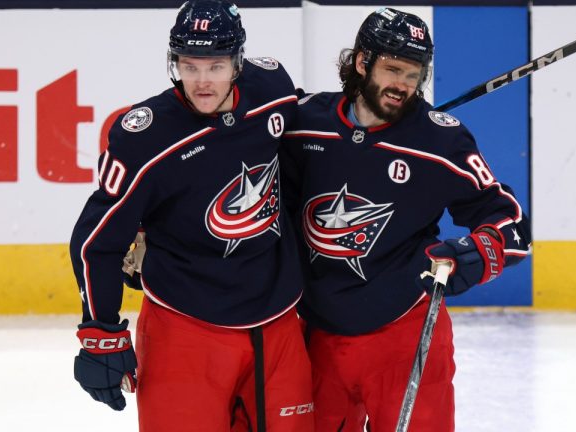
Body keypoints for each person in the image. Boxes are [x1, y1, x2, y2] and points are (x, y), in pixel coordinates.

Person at [280, 8, 531, 432]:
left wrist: (476, 252)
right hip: (317, 338)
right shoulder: (304, 123)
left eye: (414, 74)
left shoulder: (441, 141)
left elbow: (513, 227)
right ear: (362, 62)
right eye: (392, 69)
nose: (403, 85)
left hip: (407, 337)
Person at [68, 1, 314, 431]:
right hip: (185, 329)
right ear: (174, 62)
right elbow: (96, 242)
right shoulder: (144, 137)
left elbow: (314, 135)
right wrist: (100, 331)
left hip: (276, 325)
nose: (202, 81)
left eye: (216, 66)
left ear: (238, 62)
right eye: (190, 65)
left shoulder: (272, 89)